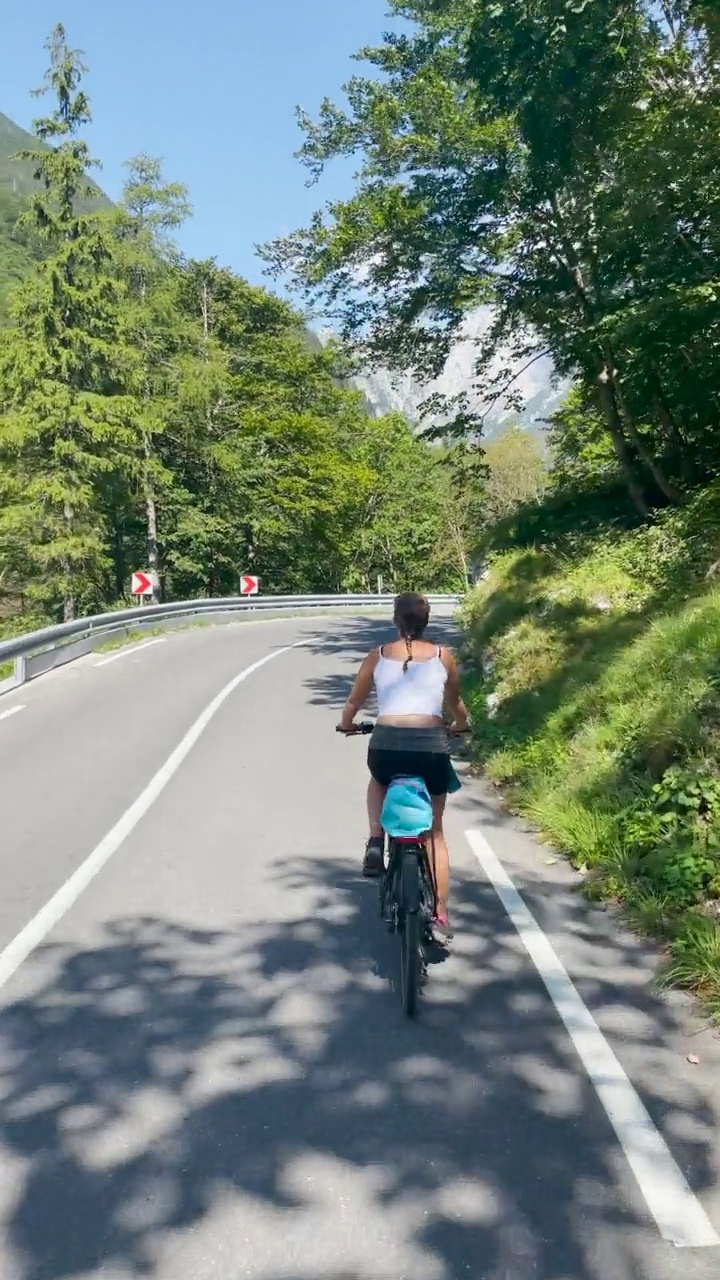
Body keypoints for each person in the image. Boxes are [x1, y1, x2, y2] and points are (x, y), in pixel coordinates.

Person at [337, 591, 469, 939]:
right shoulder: (444, 656)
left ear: (396, 621)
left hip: (387, 744)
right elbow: (455, 704)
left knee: (378, 781)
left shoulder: (376, 656)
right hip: (432, 748)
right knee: (434, 832)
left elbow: (353, 702)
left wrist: (347, 725)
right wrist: (461, 726)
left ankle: (376, 840)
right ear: (427, 622)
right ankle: (439, 913)